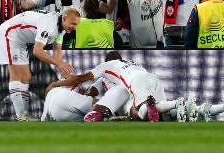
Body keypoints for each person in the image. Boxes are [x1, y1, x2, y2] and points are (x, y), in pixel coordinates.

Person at [46, 50, 197, 123]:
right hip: (153, 79)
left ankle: (171, 103)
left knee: (137, 112)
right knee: (164, 113)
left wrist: (55, 84)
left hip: (134, 84)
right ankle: (180, 104)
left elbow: (81, 81)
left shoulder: (106, 67)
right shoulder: (133, 64)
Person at [0, 7, 80, 121]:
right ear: (64, 18)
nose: (74, 28)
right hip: (9, 33)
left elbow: (57, 50)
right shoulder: (50, 24)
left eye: (76, 25)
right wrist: (59, 64)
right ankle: (21, 116)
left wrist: (64, 73)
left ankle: (24, 114)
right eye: (73, 24)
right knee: (16, 75)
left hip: (20, 40)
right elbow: (37, 51)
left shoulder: (62, 29)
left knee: (26, 77)